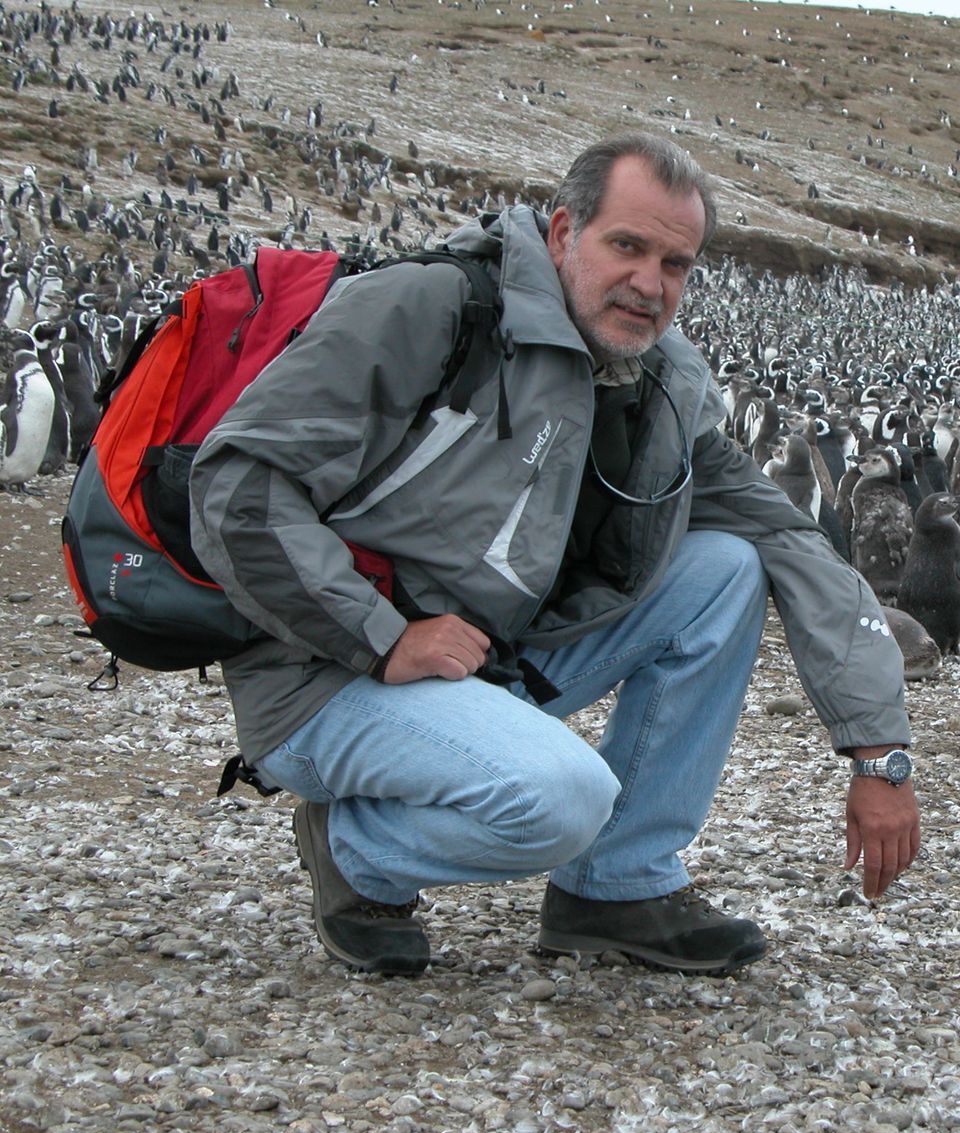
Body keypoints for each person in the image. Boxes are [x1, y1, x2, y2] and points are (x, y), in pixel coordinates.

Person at [189, 133, 919, 977]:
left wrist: (878, 752)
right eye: (628, 246)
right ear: (565, 232)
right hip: (323, 672)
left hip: (476, 657)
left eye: (675, 264)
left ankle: (617, 886)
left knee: (727, 567)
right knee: (564, 797)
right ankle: (355, 849)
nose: (649, 284)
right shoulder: (429, 309)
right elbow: (237, 488)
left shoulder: (653, 386)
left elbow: (790, 536)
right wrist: (382, 636)